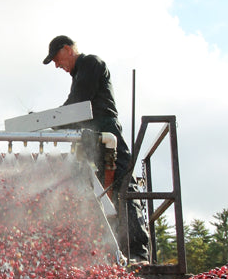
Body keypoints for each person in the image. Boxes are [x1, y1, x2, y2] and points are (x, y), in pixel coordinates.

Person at [42, 35, 150, 263]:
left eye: (56, 58)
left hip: (106, 130)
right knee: (101, 189)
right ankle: (112, 250)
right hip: (94, 135)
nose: (56, 65)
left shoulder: (91, 63)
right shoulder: (79, 75)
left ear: (67, 49)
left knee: (123, 182)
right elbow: (75, 106)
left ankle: (137, 251)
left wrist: (45, 121)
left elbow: (78, 105)